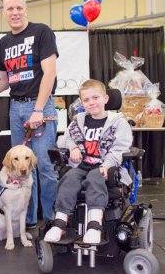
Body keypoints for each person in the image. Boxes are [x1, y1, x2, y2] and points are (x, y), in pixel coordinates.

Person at [0, 0, 59, 228]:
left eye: (18, 8)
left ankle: (52, 219)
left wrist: (39, 109)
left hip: (39, 105)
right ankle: (28, 221)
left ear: (26, 9)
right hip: (15, 108)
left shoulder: (41, 32)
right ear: (4, 12)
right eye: (10, 9)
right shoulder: (3, 43)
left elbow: (49, 73)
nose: (15, 13)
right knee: (19, 168)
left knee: (43, 165)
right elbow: (3, 81)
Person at [44, 79, 132, 243]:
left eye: (95, 98)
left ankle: (94, 226)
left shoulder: (118, 122)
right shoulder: (78, 120)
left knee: (94, 177)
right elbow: (64, 140)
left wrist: (107, 164)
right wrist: (73, 148)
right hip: (83, 165)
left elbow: (120, 148)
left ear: (105, 98)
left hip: (105, 167)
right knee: (69, 178)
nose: (91, 103)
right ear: (82, 102)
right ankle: (60, 223)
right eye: (86, 100)